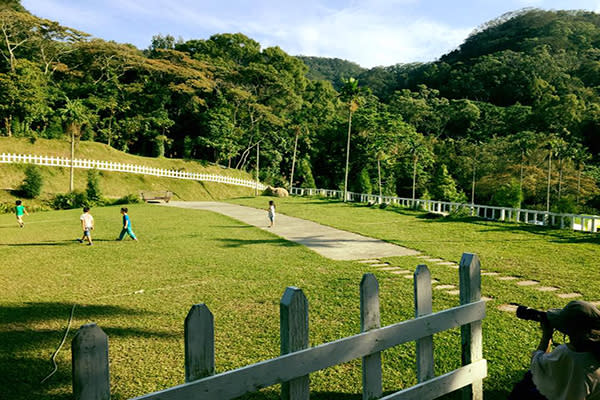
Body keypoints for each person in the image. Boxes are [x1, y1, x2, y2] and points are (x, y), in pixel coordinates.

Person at [509, 300, 600, 400]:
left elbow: (538, 364)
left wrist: (546, 336)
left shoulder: (568, 353)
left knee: (527, 381)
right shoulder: (593, 353)